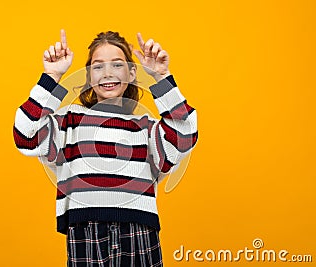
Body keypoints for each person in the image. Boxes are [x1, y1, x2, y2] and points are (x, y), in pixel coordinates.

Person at [13, 29, 198, 267]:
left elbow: (184, 137)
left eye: (117, 65)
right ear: (89, 76)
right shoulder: (68, 122)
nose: (107, 73)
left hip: (139, 229)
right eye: (98, 66)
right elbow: (25, 134)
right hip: (85, 231)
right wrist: (51, 76)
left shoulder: (147, 128)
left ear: (132, 73)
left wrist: (162, 77)